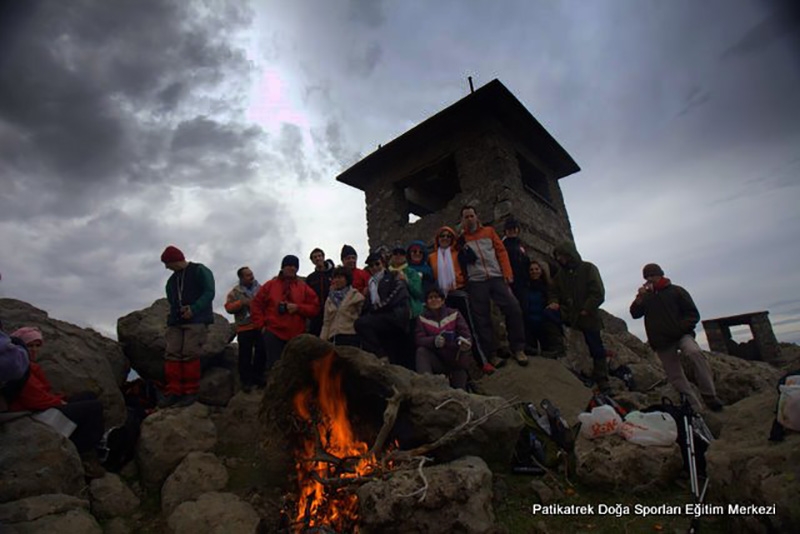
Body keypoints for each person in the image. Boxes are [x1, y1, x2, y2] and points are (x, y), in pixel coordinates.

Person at [8, 327, 106, 478]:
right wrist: (60, 402)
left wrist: (61, 399)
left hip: (39, 409)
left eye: (37, 345)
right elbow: (35, 399)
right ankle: (83, 454)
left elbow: (41, 394)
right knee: (94, 408)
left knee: (88, 396)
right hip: (32, 415)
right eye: (29, 346)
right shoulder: (19, 369)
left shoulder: (28, 367)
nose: (34, 350)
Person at [630, 263, 723, 412]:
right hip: (661, 342)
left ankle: (710, 396)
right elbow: (634, 314)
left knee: (695, 353)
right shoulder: (645, 297)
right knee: (675, 375)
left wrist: (680, 328)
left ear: (661, 275)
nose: (650, 279)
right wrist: (639, 298)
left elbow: (692, 314)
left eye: (652, 275)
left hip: (682, 335)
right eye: (647, 277)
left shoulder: (676, 291)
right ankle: (695, 407)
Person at [458, 205, 528, 367]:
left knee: (513, 308)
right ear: (462, 220)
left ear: (477, 216)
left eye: (471, 216)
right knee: (482, 318)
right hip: (476, 281)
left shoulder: (489, 232)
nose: (469, 219)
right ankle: (491, 354)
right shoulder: (460, 239)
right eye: (466, 217)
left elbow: (501, 251)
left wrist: (507, 273)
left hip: (496, 277)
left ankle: (518, 348)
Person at [547, 241, 610, 394]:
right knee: (548, 314)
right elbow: (553, 292)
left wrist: (586, 309)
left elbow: (598, 292)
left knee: (596, 347)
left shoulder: (588, 268)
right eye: (558, 257)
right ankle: (558, 347)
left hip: (588, 317)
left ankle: (603, 380)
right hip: (570, 315)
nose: (560, 259)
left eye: (562, 256)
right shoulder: (560, 276)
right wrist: (554, 302)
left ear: (569, 254)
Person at [429, 225, 493, 373]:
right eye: (442, 236)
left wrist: (462, 243)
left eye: (448, 236)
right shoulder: (431, 257)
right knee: (446, 332)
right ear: (437, 239)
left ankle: (483, 362)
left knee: (470, 328)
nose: (445, 238)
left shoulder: (458, 253)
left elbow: (472, 258)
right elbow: (431, 277)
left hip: (459, 293)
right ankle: (453, 368)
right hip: (442, 298)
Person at [161, 245, 215, 408]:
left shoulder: (200, 270)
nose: (166, 267)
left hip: (196, 321)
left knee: (190, 353)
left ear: (174, 260)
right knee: (172, 354)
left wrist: (194, 309)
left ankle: (190, 391)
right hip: (177, 322)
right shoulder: (172, 281)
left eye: (167, 263)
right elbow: (171, 300)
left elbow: (209, 292)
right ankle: (174, 391)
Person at [251, 255, 319, 372]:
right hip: (273, 333)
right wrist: (261, 326)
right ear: (282, 267)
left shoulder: (303, 287)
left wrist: (298, 308)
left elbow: (315, 308)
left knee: (296, 369)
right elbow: (256, 305)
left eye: (295, 266)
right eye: (289, 266)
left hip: (296, 335)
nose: (292, 268)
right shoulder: (270, 285)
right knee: (276, 368)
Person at [354, 252, 410, 365]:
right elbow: (368, 305)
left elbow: (397, 295)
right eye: (371, 265)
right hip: (381, 318)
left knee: (361, 323)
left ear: (383, 264)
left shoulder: (394, 276)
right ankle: (383, 358)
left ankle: (380, 355)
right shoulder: (371, 284)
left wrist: (377, 309)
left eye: (377, 264)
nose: (374, 267)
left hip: (395, 315)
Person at [415, 286, 473, 390]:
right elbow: (419, 339)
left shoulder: (454, 313)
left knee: (459, 391)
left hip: (456, 359)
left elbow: (466, 334)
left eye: (437, 297)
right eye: (430, 298)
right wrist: (433, 341)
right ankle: (427, 388)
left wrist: (462, 343)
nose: (434, 300)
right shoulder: (422, 318)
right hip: (438, 359)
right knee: (421, 352)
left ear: (442, 300)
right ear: (426, 302)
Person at [225, 266, 266, 392]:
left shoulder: (261, 288)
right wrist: (241, 303)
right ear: (241, 278)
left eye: (251, 274)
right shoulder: (235, 292)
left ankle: (258, 377)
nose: (251, 277)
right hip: (244, 327)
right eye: (248, 275)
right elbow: (228, 307)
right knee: (245, 355)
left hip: (260, 325)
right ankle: (246, 381)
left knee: (261, 352)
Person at [525, 260, 564, 356]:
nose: (534, 271)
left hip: (544, 323)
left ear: (541, 271)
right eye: (531, 270)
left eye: (536, 269)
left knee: (548, 351)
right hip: (529, 323)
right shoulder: (525, 288)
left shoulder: (548, 288)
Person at [320, 266, 365, 347]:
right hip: (333, 339)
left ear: (347, 279)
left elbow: (362, 318)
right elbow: (326, 323)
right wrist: (321, 342)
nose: (337, 280)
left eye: (340, 277)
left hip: (351, 337)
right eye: (335, 278)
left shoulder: (356, 296)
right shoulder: (329, 300)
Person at [388, 246, 424, 319]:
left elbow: (418, 292)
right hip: (391, 311)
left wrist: (407, 280)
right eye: (395, 253)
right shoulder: (386, 273)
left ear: (405, 257)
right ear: (391, 256)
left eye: (401, 254)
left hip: (410, 310)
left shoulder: (412, 272)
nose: (398, 256)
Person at [502, 217, 531, 309]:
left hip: (523, 283)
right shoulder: (503, 246)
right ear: (505, 231)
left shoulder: (520, 245)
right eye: (509, 229)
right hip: (511, 283)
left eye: (514, 228)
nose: (512, 231)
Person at [306, 248, 334, 336]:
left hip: (332, 310)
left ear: (323, 257)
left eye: (319, 256)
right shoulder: (310, 278)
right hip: (317, 313)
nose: (317, 259)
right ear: (312, 261)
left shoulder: (334, 273)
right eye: (315, 257)